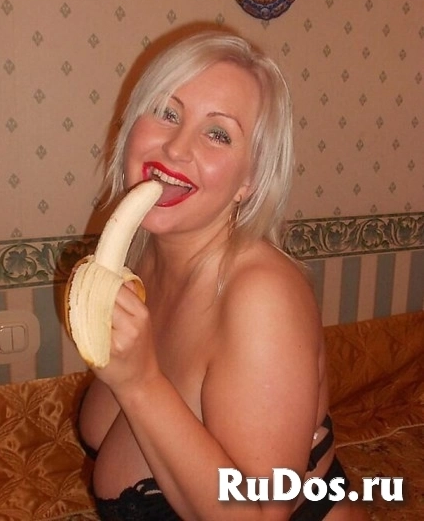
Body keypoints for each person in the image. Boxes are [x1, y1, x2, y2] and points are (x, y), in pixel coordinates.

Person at [78, 30, 369, 520]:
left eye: (218, 134)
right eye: (167, 112)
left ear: (249, 180)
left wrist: (140, 383)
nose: (175, 148)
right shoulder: (144, 256)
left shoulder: (262, 296)